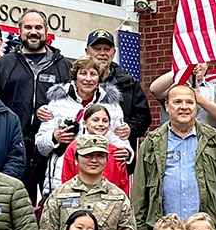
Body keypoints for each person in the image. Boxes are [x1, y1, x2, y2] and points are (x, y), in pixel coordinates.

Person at [134, 84, 216, 230]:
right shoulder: (152, 142)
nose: (184, 107)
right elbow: (140, 188)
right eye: (178, 102)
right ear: (167, 106)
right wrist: (141, 229)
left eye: (189, 102)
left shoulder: (215, 140)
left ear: (196, 105)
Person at [0, 9, 72, 191]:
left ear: (46, 31)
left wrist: (53, 115)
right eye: (28, 27)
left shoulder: (64, 66)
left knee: (50, 199)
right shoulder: (5, 65)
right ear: (19, 31)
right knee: (16, 198)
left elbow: (74, 104)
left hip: (52, 145)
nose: (33, 32)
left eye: (38, 27)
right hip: (14, 146)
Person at [36, 56, 128, 198]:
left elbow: (120, 143)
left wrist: (126, 153)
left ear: (99, 78)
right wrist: (54, 138)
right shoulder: (57, 103)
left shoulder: (112, 106)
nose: (88, 79)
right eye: (83, 73)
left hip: (99, 178)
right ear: (75, 76)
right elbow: (41, 145)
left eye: (93, 74)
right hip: (61, 177)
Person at [85, 29, 149, 157]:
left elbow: (144, 116)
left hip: (117, 155)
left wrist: (130, 128)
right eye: (97, 49)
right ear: (87, 52)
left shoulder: (129, 83)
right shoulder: (78, 81)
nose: (102, 53)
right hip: (84, 154)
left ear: (114, 53)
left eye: (107, 49)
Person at [53, 104, 132, 193]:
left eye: (105, 121)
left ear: (110, 125)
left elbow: (123, 182)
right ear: (84, 123)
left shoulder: (116, 152)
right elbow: (66, 177)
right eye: (95, 120)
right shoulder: (74, 148)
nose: (100, 124)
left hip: (109, 203)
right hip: (78, 202)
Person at [148, 60, 216, 129]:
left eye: (201, 61)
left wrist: (200, 99)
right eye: (193, 61)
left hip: (205, 145)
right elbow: (154, 90)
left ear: (207, 65)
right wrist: (182, 69)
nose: (197, 65)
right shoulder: (173, 87)